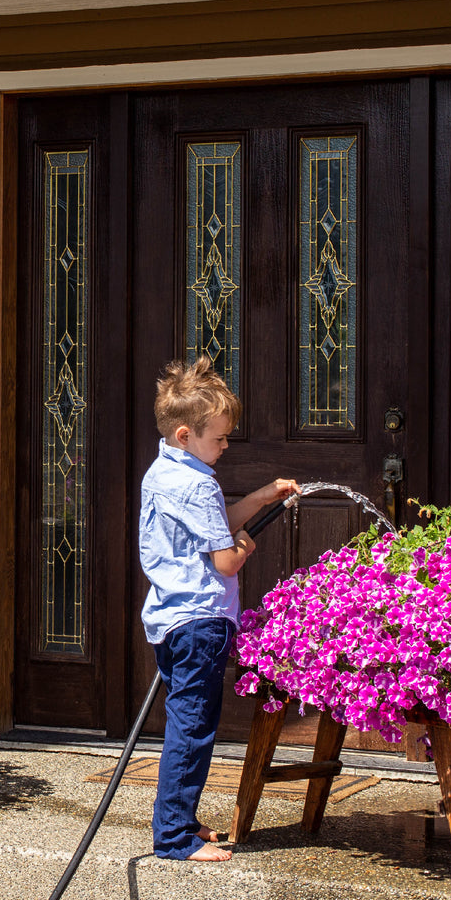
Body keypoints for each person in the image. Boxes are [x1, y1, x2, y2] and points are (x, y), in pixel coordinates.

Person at [139, 356, 299, 862]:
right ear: (186, 433)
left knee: (183, 722)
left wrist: (261, 496)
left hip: (170, 620)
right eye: (220, 438)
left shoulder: (163, 470)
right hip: (202, 620)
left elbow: (212, 524)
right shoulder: (200, 482)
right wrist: (245, 548)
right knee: (193, 728)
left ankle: (177, 818)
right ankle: (174, 838)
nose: (226, 446)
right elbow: (225, 560)